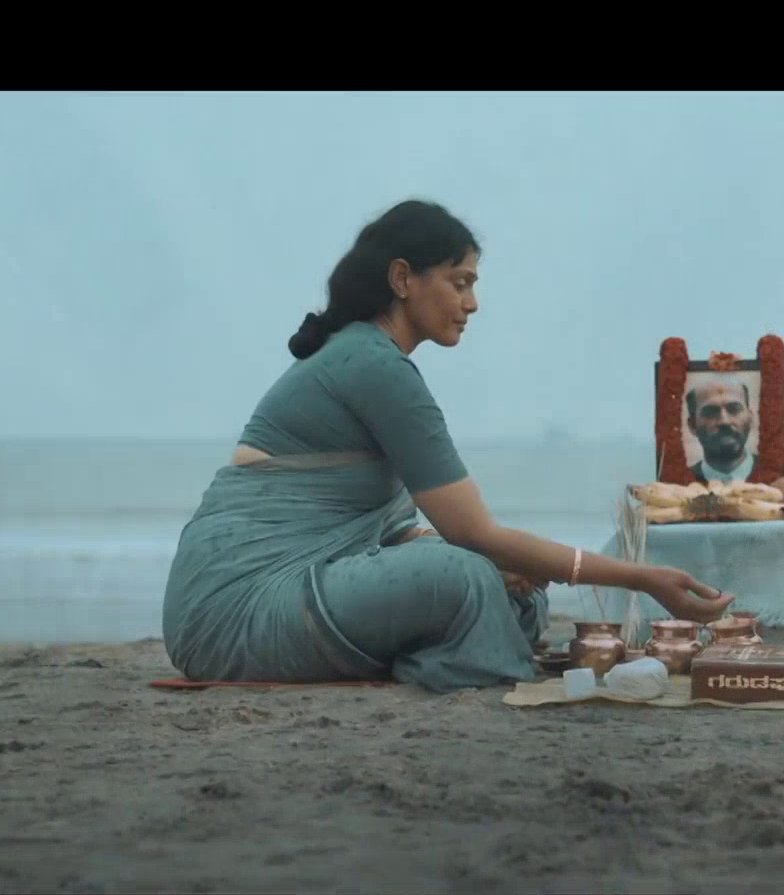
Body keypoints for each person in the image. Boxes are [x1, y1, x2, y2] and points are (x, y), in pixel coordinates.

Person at [162, 200, 734, 689]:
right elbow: (472, 532)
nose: (472, 302)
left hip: (287, 596)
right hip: (235, 613)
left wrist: (505, 564)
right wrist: (644, 578)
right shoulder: (373, 366)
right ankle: (437, 659)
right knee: (463, 575)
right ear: (403, 279)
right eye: (459, 283)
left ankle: (434, 651)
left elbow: (394, 531)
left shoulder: (368, 358)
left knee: (519, 596)